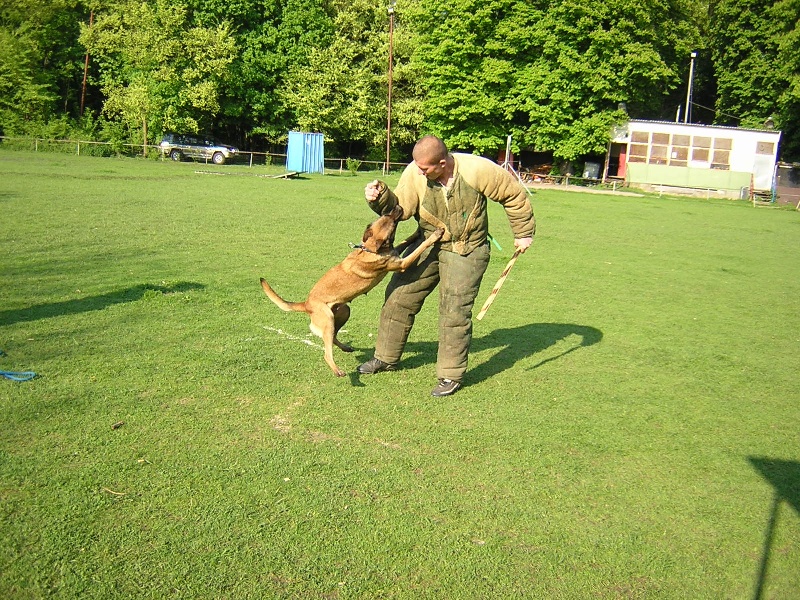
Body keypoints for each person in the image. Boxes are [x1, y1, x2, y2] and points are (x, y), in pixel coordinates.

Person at [358, 135, 535, 396]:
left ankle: (450, 376)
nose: (420, 171)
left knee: (454, 310)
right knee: (398, 297)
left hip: (467, 248)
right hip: (428, 241)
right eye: (418, 166)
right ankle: (385, 358)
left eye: (426, 168)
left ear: (442, 163)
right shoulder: (414, 171)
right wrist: (379, 197)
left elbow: (513, 195)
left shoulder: (477, 169)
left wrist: (523, 232)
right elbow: (401, 209)